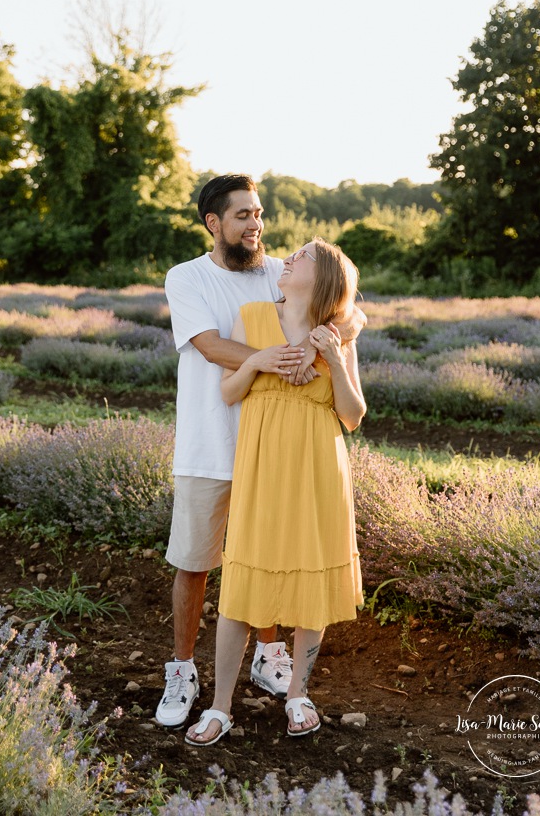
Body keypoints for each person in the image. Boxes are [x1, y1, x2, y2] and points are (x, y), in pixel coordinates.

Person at [185, 238, 366, 745]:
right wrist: (258, 361)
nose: (288, 258)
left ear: (324, 275)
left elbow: (353, 416)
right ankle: (221, 707)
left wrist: (332, 352)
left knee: (312, 575)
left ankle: (297, 694)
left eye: (303, 255)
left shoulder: (338, 336)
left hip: (318, 470)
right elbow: (227, 390)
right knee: (243, 582)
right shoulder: (254, 315)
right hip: (263, 467)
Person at [156, 174, 318, 728]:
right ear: (213, 223)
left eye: (259, 213)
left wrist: (340, 331)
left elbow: (343, 301)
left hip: (271, 446)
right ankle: (182, 669)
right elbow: (209, 345)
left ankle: (267, 655)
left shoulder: (280, 272)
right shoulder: (188, 278)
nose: (256, 224)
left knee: (265, 557)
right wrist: (278, 358)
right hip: (210, 442)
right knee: (195, 561)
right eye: (244, 215)